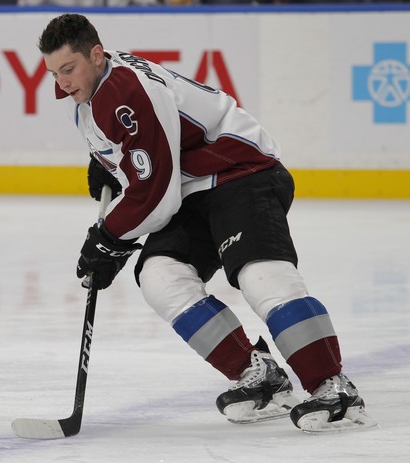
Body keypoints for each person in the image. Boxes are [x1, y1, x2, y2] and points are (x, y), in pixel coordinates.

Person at [37, 13, 377, 433]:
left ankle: (334, 387)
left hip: (241, 171)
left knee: (260, 276)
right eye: (53, 72)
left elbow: (155, 196)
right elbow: (148, 158)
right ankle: (261, 378)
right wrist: (109, 164)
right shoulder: (99, 86)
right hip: (193, 189)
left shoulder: (125, 92)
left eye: (68, 69)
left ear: (96, 53)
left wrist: (110, 239)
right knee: (161, 276)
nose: (62, 82)